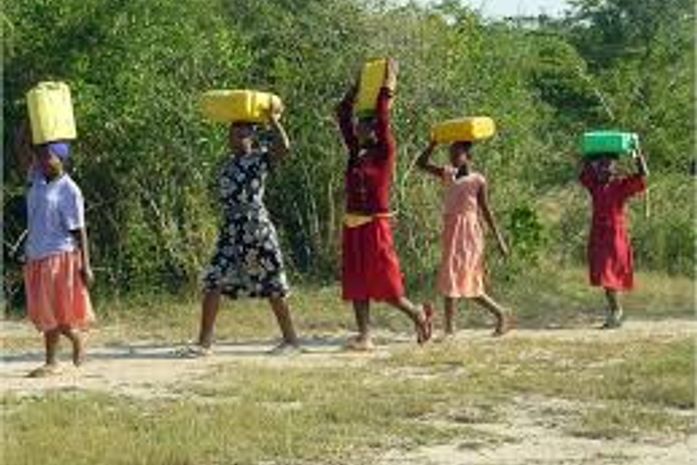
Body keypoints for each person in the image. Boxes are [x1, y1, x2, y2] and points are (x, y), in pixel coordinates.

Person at [185, 105, 300, 355]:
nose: (233, 140)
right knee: (213, 280)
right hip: (231, 231)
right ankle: (204, 343)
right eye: (231, 135)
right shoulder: (226, 164)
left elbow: (285, 147)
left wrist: (272, 121)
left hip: (256, 228)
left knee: (273, 285)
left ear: (251, 137)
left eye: (239, 135)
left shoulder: (260, 159)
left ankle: (291, 340)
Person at [336, 58, 434, 351]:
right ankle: (365, 335)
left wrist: (386, 88)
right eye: (359, 124)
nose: (358, 127)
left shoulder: (385, 153)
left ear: (375, 130)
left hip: (376, 224)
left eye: (364, 124)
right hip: (353, 223)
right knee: (356, 282)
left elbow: (383, 117)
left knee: (386, 281)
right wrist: (357, 87)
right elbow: (342, 114)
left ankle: (416, 313)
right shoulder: (356, 153)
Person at [416, 139, 513, 337]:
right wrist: (433, 144)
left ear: (468, 156)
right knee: (450, 276)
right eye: (450, 154)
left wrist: (499, 239)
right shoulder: (447, 173)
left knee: (467, 278)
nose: (452, 157)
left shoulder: (478, 180)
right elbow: (421, 163)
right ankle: (451, 328)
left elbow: (486, 211)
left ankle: (500, 314)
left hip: (469, 234)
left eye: (456, 153)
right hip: (452, 231)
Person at [22, 139, 95, 377]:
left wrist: (86, 265)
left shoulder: (69, 189)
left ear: (60, 159)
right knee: (43, 311)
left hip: (59, 256)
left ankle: (52, 361)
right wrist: (30, 126)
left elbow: (79, 229)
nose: (42, 161)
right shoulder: (36, 179)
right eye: (39, 156)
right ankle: (75, 338)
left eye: (47, 156)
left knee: (51, 310)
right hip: (36, 255)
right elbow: (21, 149)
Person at [579, 151, 648, 328]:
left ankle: (616, 312)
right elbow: (585, 169)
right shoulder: (595, 185)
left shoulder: (620, 186)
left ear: (614, 169)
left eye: (608, 165)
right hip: (599, 234)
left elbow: (643, 176)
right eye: (601, 165)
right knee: (605, 275)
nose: (604, 169)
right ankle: (616, 312)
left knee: (609, 274)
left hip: (615, 235)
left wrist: (638, 157)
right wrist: (590, 152)